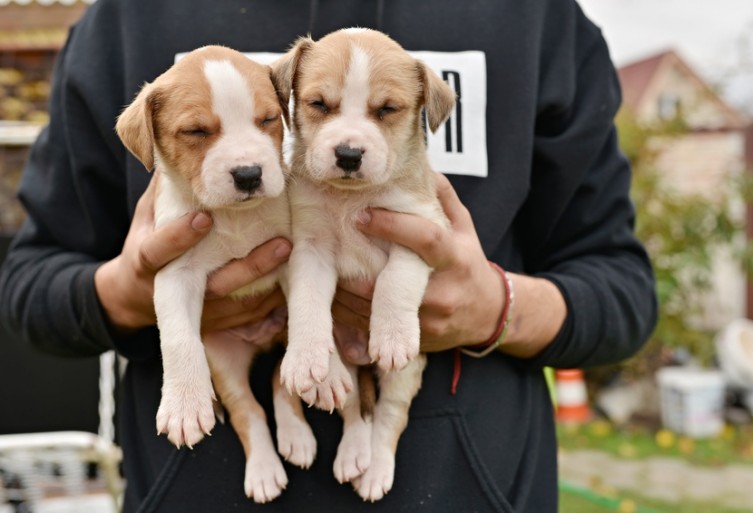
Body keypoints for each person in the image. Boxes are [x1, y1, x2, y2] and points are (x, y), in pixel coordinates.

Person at [0, 0, 657, 511]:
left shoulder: (536, 17)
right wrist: (133, 293)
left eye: (388, 111)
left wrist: (499, 307)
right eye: (314, 107)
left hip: (469, 485)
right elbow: (31, 286)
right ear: (294, 95)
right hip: (195, 484)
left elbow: (622, 288)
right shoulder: (125, 18)